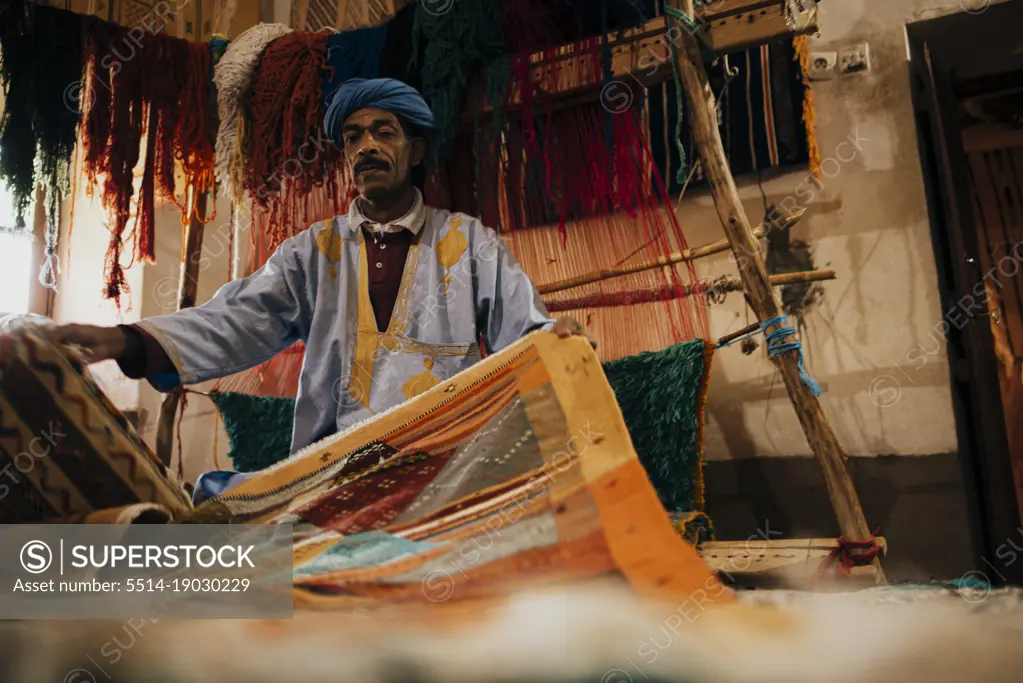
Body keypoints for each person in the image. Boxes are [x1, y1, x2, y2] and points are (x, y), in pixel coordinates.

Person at [52, 78, 594, 502]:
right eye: (353, 137)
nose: (366, 147)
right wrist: (123, 340)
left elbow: (527, 335)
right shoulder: (312, 253)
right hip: (332, 470)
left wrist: (558, 339)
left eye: (385, 131)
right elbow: (234, 320)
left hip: (443, 465)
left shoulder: (471, 243)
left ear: (418, 152)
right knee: (224, 512)